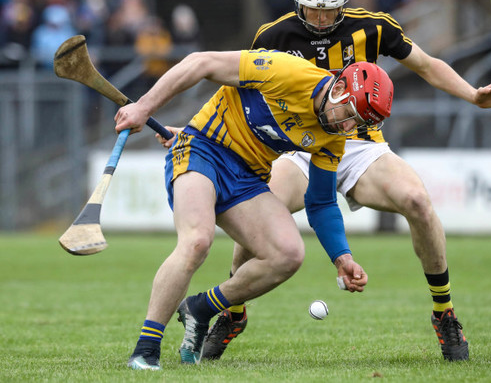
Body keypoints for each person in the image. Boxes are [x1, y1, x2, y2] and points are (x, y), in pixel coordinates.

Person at [199, 0, 491, 363]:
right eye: (313, 8)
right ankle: (233, 313)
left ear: (344, 2)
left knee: (419, 203)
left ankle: (444, 313)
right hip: (299, 146)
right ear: (299, 1)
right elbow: (237, 88)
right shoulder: (275, 33)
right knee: (255, 221)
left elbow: (426, 65)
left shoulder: (374, 26)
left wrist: (473, 94)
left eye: (329, 9)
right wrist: (198, 130)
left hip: (360, 145)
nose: (320, 18)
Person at [116, 48, 395, 370]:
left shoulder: (332, 138)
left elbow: (320, 202)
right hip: (202, 150)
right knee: (197, 241)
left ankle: (201, 308)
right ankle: (146, 348)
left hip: (248, 179)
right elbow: (200, 62)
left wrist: (342, 257)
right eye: (348, 114)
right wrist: (144, 107)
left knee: (288, 254)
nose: (347, 127)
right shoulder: (288, 72)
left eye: (356, 125)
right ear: (339, 88)